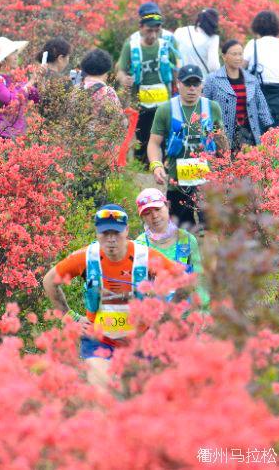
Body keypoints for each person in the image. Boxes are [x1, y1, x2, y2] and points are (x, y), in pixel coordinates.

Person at [42, 204, 185, 388]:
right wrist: (70, 317)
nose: (111, 239)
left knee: (138, 400)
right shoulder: (86, 257)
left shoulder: (145, 256)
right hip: (98, 339)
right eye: (105, 233)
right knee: (101, 394)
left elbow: (183, 282)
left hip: (140, 341)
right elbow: (49, 280)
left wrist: (164, 319)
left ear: (126, 231)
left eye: (116, 233)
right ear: (96, 232)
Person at [147, 64, 226, 227]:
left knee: (211, 229)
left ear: (201, 85)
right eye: (187, 83)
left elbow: (221, 141)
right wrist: (156, 166)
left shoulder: (212, 107)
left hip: (207, 182)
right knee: (182, 230)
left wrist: (225, 168)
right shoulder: (165, 109)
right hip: (178, 183)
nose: (192, 88)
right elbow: (154, 143)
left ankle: (209, 253)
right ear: (178, 84)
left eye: (196, 84)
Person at [117, 1, 181, 168]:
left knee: (166, 132)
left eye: (156, 29)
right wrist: (124, 79)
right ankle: (141, 166)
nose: (153, 34)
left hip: (165, 96)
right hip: (140, 98)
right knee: (142, 134)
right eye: (149, 29)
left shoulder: (168, 40)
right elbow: (120, 69)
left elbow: (177, 68)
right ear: (141, 25)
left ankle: (166, 165)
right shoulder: (132, 43)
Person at [134, 187, 209, 309]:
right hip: (154, 316)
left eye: (158, 209)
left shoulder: (187, 239)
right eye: (147, 213)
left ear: (167, 206)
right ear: (142, 217)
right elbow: (137, 286)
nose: (154, 216)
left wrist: (204, 311)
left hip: (185, 316)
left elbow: (198, 278)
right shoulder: (140, 244)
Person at [205, 39, 273, 152]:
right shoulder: (213, 80)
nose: (238, 58)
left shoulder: (251, 80)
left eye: (240, 54)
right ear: (224, 56)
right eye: (234, 54)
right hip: (223, 135)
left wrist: (269, 127)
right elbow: (205, 107)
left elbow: (262, 106)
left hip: (248, 133)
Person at [0, 36, 40, 138]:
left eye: (16, 52)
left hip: (19, 134)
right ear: (3, 59)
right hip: (1, 135)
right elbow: (12, 101)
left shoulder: (16, 77)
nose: (16, 56)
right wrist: (29, 84)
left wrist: (38, 79)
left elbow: (36, 98)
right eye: (12, 53)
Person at [243, 10, 279, 127]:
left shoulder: (253, 44)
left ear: (256, 27)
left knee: (259, 136)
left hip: (259, 95)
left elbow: (239, 68)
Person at [173, 8, 221, 74]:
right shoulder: (213, 38)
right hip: (201, 80)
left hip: (181, 78)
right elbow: (213, 66)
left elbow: (172, 54)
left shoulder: (180, 31)